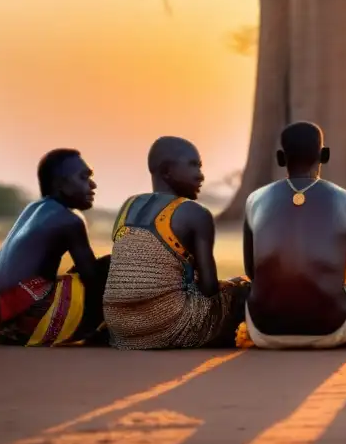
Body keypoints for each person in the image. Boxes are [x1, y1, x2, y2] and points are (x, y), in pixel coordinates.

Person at [103, 137, 249, 350]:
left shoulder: (128, 205)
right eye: (193, 166)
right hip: (167, 325)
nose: (201, 175)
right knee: (245, 292)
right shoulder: (195, 213)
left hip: (121, 327)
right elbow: (209, 288)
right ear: (167, 171)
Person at [243, 122, 346, 349]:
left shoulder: (254, 200)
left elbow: (251, 272)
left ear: (281, 158)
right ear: (324, 155)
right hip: (332, 328)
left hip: (265, 331)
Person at [0, 149, 110, 347]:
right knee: (113, 266)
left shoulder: (33, 208)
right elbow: (91, 277)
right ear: (60, 183)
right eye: (83, 178)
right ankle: (113, 332)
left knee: (89, 273)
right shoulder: (70, 219)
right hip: (24, 322)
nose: (92, 185)